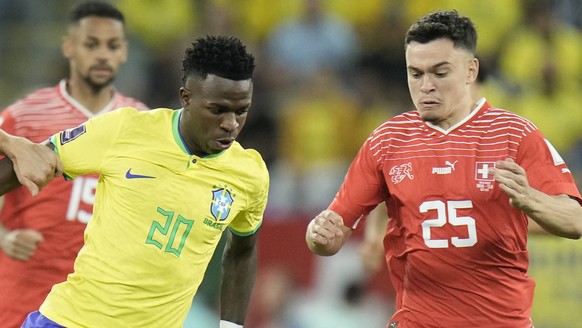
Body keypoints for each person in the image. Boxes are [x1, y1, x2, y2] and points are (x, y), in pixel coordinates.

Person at [305, 9, 582, 328]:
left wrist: (530, 200)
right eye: (416, 73)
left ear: (470, 71)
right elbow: (331, 235)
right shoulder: (387, 141)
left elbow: (574, 221)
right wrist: (318, 234)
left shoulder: (515, 134)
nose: (426, 86)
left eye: (440, 72)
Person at [0, 35, 266, 328]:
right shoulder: (125, 130)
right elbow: (31, 163)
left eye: (241, 111)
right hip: (71, 321)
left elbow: (243, 249)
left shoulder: (249, 174)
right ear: (186, 97)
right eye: (218, 110)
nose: (231, 124)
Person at [0, 2, 148, 326]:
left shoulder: (141, 123)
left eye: (112, 46)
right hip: (24, 294)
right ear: (69, 46)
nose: (102, 55)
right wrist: (3, 237)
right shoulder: (25, 116)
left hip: (95, 305)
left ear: (124, 52)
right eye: (91, 44)